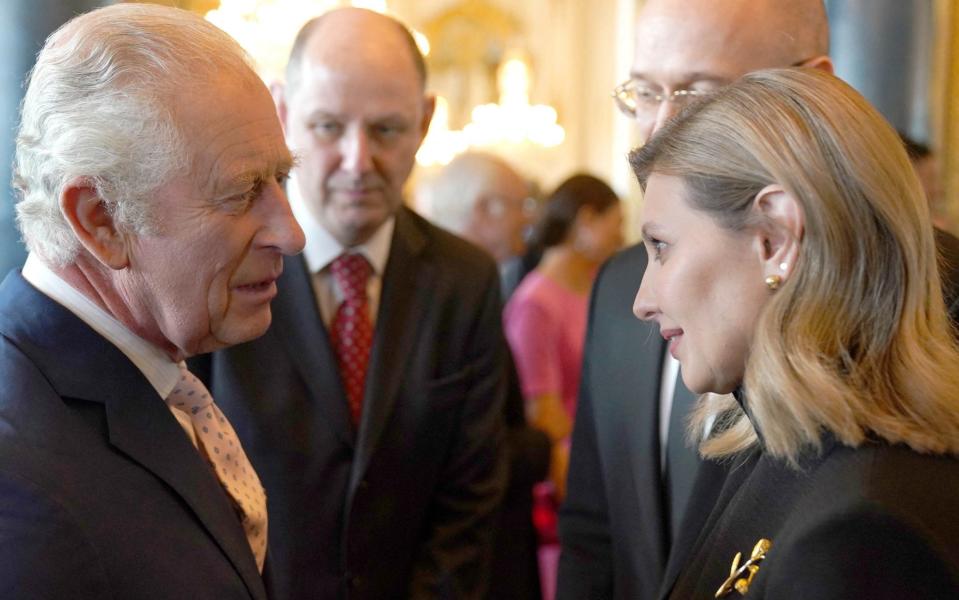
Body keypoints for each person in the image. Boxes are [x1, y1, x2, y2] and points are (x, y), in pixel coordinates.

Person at [200, 8, 509, 599]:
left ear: (425, 121)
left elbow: (469, 500)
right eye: (327, 127)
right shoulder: (223, 266)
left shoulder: (465, 281)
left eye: (387, 130)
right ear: (283, 114)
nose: (357, 161)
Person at [0, 4, 305, 598]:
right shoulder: (21, 484)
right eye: (243, 192)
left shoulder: (153, 368)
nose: (291, 234)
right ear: (101, 220)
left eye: (280, 180)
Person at [631, 66, 959, 599]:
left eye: (662, 247)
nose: (643, 302)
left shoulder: (863, 532)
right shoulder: (767, 446)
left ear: (776, 235)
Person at [557, 3, 834, 598]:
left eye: (697, 95)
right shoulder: (620, 287)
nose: (658, 132)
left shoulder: (930, 296)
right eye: (644, 93)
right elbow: (593, 527)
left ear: (812, 88)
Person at [421, 151, 551, 599]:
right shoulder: (445, 299)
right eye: (520, 205)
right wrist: (542, 447)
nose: (528, 220)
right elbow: (468, 449)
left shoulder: (460, 286)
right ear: (484, 209)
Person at [504, 174, 623, 599]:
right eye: (616, 222)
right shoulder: (536, 301)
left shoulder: (595, 286)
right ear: (585, 219)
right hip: (566, 487)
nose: (622, 236)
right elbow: (544, 415)